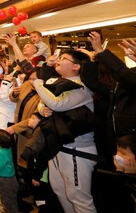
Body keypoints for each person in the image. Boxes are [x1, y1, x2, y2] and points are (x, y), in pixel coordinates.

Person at [34, 49, 97, 213]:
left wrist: (37, 83)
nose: (58, 60)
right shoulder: (59, 82)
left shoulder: (82, 87)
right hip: (58, 146)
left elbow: (57, 104)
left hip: (77, 148)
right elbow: (45, 102)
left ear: (76, 66)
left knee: (79, 197)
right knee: (60, 191)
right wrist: (42, 110)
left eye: (64, 58)